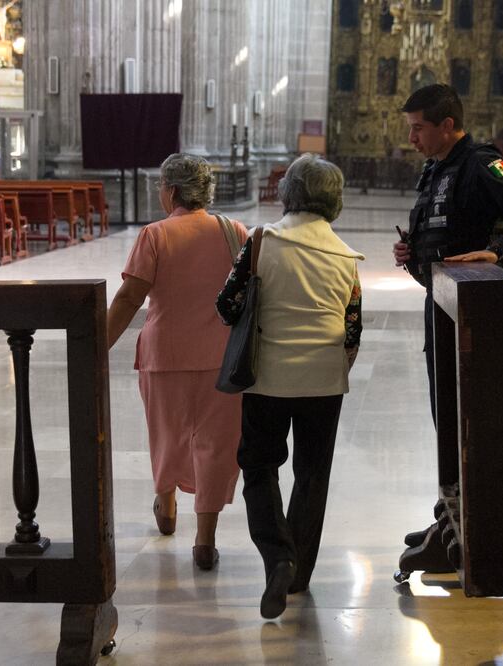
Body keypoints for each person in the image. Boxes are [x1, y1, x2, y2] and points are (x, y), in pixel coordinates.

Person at [391, 84, 503, 559]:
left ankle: (472, 532)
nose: (412, 138)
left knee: (467, 421)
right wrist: (413, 249)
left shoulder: (482, 163)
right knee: (446, 417)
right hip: (442, 306)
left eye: (418, 128)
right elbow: (442, 226)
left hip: (472, 317)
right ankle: (451, 515)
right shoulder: (438, 167)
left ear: (447, 125)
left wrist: (500, 251)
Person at [216, 154, 364, 619]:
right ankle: (299, 574)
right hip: (324, 380)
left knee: (258, 467)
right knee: (312, 474)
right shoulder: (346, 256)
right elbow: (353, 329)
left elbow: (228, 304)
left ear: (288, 192)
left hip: (268, 378)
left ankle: (277, 555)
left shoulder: (262, 242)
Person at [107, 153, 248, 571]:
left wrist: (98, 342)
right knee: (216, 446)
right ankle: (205, 540)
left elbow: (130, 296)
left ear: (171, 191)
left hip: (164, 355)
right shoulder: (233, 232)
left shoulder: (155, 235)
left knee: (167, 434)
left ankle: (166, 506)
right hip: (222, 358)